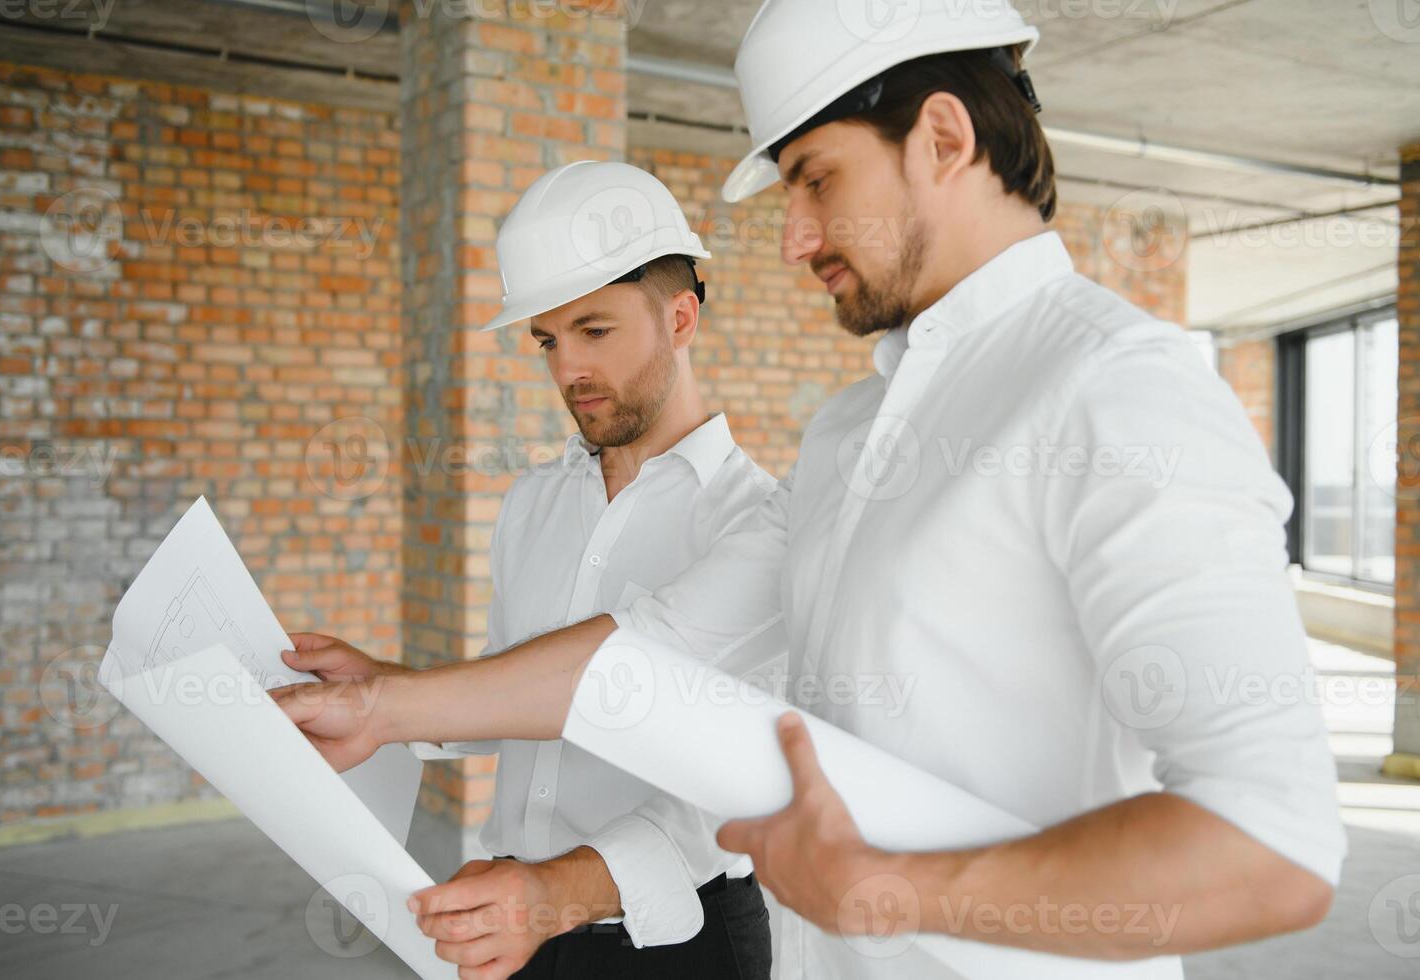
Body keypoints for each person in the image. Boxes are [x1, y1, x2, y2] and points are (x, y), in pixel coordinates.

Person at [274, 1, 1346, 976]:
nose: (792, 238)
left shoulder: (1117, 391)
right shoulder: (846, 435)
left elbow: (1268, 843)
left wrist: (896, 891)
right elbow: (651, 659)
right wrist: (389, 703)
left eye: (816, 177)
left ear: (943, 138)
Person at [281, 162, 777, 980]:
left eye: (595, 330)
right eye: (548, 340)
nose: (566, 369)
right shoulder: (536, 502)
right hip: (516, 919)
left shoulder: (757, 524)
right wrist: (387, 688)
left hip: (676, 940)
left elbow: (734, 790)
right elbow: (517, 690)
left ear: (680, 318)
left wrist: (559, 892)